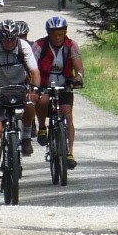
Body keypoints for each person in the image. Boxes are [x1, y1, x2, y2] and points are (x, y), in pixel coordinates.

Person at [0, 20, 41, 193]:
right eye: (7, 40)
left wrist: (34, 90)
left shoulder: (23, 46)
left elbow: (35, 72)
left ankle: (26, 136)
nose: (10, 43)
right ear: (1, 37)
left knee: (29, 103)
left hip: (18, 86)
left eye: (13, 40)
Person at [33, 16, 85, 170]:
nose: (57, 37)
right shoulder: (39, 46)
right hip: (44, 84)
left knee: (67, 113)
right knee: (42, 101)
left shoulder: (71, 46)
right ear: (48, 33)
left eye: (61, 34)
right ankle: (42, 127)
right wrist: (32, 84)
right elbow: (31, 67)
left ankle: (69, 153)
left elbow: (79, 69)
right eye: (54, 34)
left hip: (64, 84)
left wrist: (78, 78)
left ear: (65, 33)